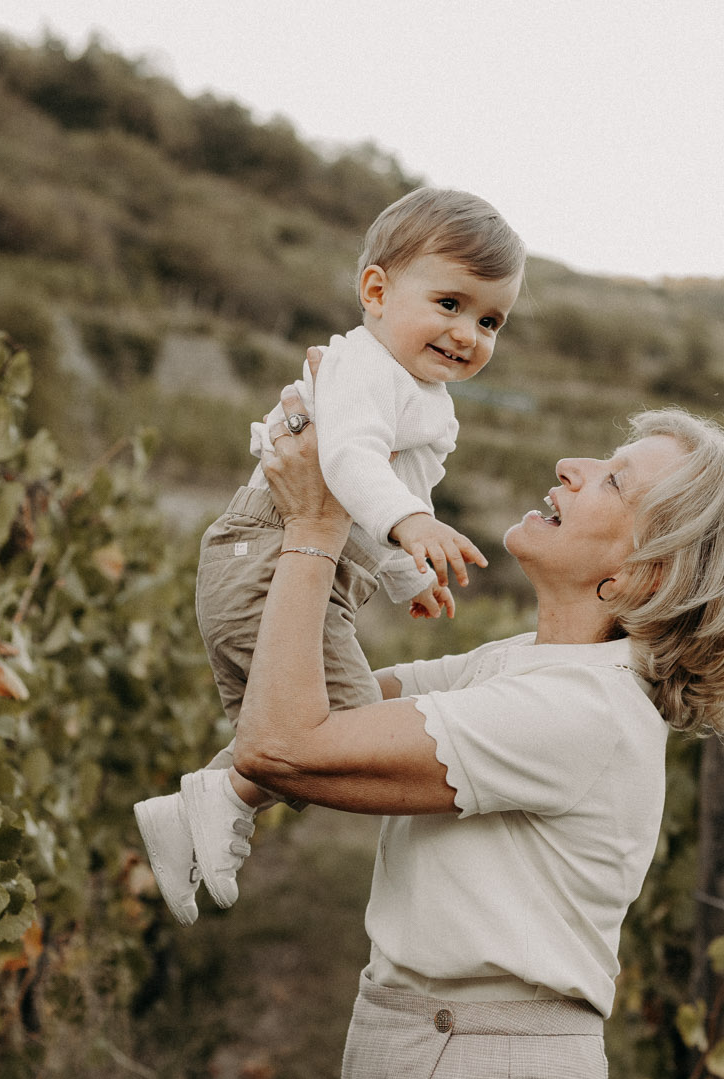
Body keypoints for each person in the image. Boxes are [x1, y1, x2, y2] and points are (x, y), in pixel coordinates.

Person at [232, 386, 724, 1079]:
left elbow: (282, 745)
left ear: (642, 578)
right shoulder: (524, 666)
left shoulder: (577, 715)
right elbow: (312, 701)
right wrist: (357, 479)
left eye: (614, 479)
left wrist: (317, 528)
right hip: (424, 1056)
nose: (574, 465)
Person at [134, 187, 525, 919]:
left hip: (304, 566)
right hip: (268, 555)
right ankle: (222, 797)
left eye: (490, 320)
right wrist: (410, 526)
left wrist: (407, 568)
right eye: (449, 303)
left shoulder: (421, 393)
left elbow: (399, 477)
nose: (467, 332)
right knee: (334, 732)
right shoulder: (366, 368)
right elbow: (346, 459)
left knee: (300, 732)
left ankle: (205, 805)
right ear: (376, 291)